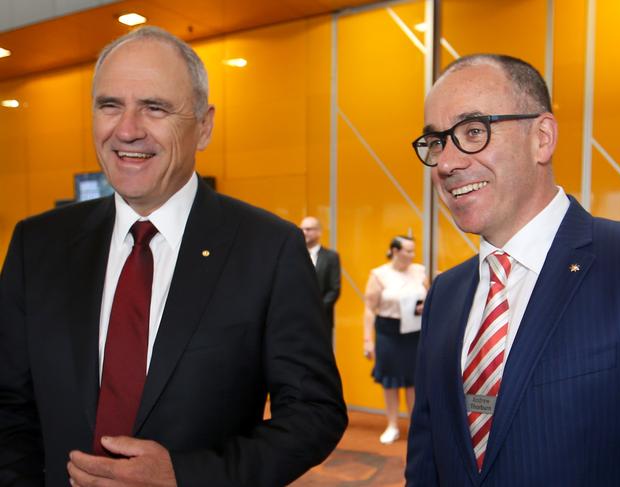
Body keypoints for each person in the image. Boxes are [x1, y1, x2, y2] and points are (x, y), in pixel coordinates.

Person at [0, 26, 347, 487]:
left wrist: (188, 477)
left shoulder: (269, 249)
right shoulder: (36, 245)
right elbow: (8, 407)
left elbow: (314, 413)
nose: (127, 129)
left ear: (204, 125)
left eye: (154, 108)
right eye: (110, 105)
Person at [406, 53, 620, 486]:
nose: (446, 163)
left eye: (474, 132)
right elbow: (427, 461)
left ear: (542, 137)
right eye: (437, 142)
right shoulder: (445, 293)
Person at [363, 236, 428, 444]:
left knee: (413, 381)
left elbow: (429, 296)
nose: (411, 255)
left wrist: (422, 306)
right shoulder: (379, 274)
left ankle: (414, 424)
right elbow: (369, 308)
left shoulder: (420, 271)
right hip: (388, 331)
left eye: (413, 251)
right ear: (394, 250)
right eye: (407, 251)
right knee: (390, 381)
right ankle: (392, 425)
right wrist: (367, 340)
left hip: (414, 331)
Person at [299, 216, 341, 342]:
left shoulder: (331, 257)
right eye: (302, 229)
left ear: (319, 232)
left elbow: (334, 289)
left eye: (308, 229)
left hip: (322, 318)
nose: (304, 232)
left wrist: (316, 309)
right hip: (296, 317)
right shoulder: (294, 255)